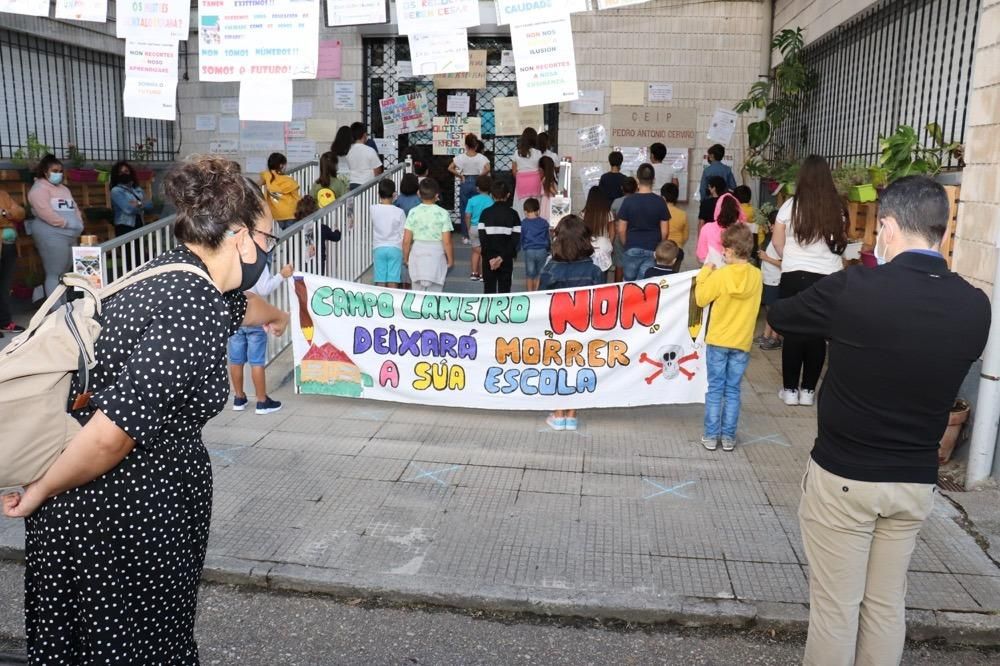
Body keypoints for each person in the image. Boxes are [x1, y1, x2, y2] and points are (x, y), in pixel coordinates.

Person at [2, 156, 289, 662]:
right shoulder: (193, 304)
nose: (268, 251)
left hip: (86, 503)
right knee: (133, 646)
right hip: (123, 514)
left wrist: (278, 315)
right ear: (243, 238)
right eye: (270, 239)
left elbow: (245, 308)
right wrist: (37, 492)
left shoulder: (172, 272)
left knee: (80, 644)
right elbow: (114, 433)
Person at [767, 176, 990, 666]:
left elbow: (783, 317)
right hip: (914, 482)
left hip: (846, 475)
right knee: (886, 606)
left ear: (886, 227)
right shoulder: (976, 305)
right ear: (942, 231)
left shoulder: (856, 288)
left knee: (836, 610)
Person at [771, 155, 848, 407]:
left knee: (793, 333)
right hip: (827, 277)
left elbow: (777, 242)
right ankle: (808, 392)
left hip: (794, 275)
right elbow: (841, 243)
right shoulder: (837, 207)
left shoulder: (789, 206)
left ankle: (790, 390)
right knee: (817, 335)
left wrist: (791, 258)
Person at [695, 224, 761, 452]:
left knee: (715, 389)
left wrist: (706, 271)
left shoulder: (721, 275)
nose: (722, 252)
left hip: (718, 339)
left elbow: (701, 298)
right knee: (733, 390)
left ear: (731, 250)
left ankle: (711, 436)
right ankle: (729, 437)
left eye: (724, 248)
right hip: (742, 341)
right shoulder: (757, 276)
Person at [539, 215, 604, 431]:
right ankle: (572, 415)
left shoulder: (550, 270)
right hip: (584, 327)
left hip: (557, 327)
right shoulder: (595, 271)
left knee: (559, 366)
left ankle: (558, 414)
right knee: (578, 366)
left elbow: (541, 302)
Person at [230, 258, 294, 415]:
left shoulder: (230, 258)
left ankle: (238, 398)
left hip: (236, 315)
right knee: (257, 361)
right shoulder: (257, 260)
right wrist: (281, 275)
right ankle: (261, 401)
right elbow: (264, 288)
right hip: (256, 316)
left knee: (235, 360)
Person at [27, 154, 83, 298]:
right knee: (54, 272)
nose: (58, 174)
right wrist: (66, 223)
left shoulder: (64, 189)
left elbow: (74, 207)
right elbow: (45, 212)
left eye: (60, 170)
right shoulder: (38, 189)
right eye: (55, 170)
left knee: (64, 273)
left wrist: (79, 223)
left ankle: (63, 304)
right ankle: (56, 308)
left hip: (71, 235)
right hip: (52, 235)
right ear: (45, 172)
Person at [616, 163, 669, 281]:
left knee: (629, 284)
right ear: (653, 180)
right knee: (645, 285)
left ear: (637, 178)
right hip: (653, 248)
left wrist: (627, 244)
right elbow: (665, 232)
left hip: (632, 247)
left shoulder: (628, 201)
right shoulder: (660, 201)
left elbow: (621, 229)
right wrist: (659, 247)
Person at [403, 178, 453, 292]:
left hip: (417, 252)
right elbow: (447, 241)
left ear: (418, 194)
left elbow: (406, 241)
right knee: (435, 294)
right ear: (437, 195)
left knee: (417, 293)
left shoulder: (413, 212)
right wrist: (450, 260)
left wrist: (406, 258)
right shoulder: (443, 213)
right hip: (436, 253)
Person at [478, 181, 521, 294]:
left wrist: (492, 258)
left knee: (489, 290)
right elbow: (515, 240)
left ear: (491, 195)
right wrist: (501, 257)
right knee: (505, 290)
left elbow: (483, 239)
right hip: (506, 258)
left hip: (488, 258)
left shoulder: (485, 213)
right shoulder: (513, 214)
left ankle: (488, 311)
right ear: (508, 195)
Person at [449, 133, 491, 244]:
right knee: (479, 208)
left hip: (465, 181)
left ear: (466, 145)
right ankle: (479, 232)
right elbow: (488, 168)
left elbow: (450, 167)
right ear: (476, 145)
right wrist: (481, 175)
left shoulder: (461, 157)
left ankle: (465, 236)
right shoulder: (481, 157)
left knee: (465, 209)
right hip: (477, 182)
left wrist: (460, 176)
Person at [372, 178, 406, 288]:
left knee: (380, 280)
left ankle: (380, 303)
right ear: (394, 194)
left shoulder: (373, 209)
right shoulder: (399, 212)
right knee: (393, 279)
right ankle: (393, 303)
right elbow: (403, 233)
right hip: (395, 248)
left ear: (378, 194)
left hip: (379, 247)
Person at [0, 188, 26, 335]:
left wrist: (4, 213)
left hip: (8, 246)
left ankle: (4, 322)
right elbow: (11, 214)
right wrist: (7, 214)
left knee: (5, 286)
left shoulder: (3, 193)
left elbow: (20, 213)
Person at [697, 192, 745, 263]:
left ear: (718, 209)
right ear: (736, 211)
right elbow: (744, 256)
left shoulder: (707, 228)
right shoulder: (741, 230)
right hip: (734, 272)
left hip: (712, 271)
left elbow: (701, 257)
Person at [109, 160, 151, 238]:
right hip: (125, 226)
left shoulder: (137, 189)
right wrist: (141, 204)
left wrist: (137, 203)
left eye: (126, 171)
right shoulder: (116, 191)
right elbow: (129, 209)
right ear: (116, 175)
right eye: (120, 172)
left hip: (139, 223)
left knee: (139, 249)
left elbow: (149, 205)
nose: (124, 174)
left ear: (130, 172)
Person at [464, 175, 494, 282]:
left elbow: (467, 215)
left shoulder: (472, 200)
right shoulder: (491, 200)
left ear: (477, 188)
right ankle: (482, 274)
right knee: (484, 252)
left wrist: (468, 228)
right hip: (485, 228)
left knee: (475, 251)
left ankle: (474, 273)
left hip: (473, 227)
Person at [260, 152, 301, 229]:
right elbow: (297, 197)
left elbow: (258, 183)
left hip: (277, 214)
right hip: (291, 213)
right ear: (281, 165)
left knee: (285, 234)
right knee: (293, 236)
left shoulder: (267, 176)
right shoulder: (288, 180)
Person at [581, 185, 613, 275]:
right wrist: (610, 244)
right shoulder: (608, 213)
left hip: (589, 247)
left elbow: (581, 233)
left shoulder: (583, 214)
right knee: (603, 273)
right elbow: (612, 232)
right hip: (604, 246)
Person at [610, 177, 637, 282]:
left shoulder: (616, 202)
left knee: (619, 265)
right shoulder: (638, 201)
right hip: (634, 235)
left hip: (619, 235)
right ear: (636, 189)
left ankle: (617, 288)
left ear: (622, 188)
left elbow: (612, 219)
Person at [520, 197, 550, 291]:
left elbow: (521, 237)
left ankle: (530, 293)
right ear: (538, 210)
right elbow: (547, 237)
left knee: (530, 274)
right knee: (540, 274)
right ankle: (537, 292)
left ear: (525, 211)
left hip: (529, 251)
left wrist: (520, 247)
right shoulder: (544, 222)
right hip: (542, 250)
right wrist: (548, 248)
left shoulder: (524, 223)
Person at [511, 127, 542, 217]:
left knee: (521, 205)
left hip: (521, 181)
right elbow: (540, 169)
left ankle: (522, 224)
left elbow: (513, 171)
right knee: (535, 203)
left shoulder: (517, 153)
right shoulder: (538, 153)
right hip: (535, 181)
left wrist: (519, 178)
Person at [344, 122, 383, 189]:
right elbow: (378, 171)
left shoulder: (349, 151)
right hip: (368, 185)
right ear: (364, 135)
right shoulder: (370, 150)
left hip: (353, 185)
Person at [660, 182, 688, 271]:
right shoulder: (683, 214)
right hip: (677, 250)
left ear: (663, 197)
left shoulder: (659, 212)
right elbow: (685, 236)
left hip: (662, 250)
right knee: (674, 277)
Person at [538, 155, 560, 221]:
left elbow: (559, 198)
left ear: (541, 169)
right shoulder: (552, 181)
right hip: (551, 210)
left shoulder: (546, 182)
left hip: (545, 210)